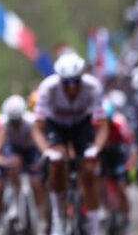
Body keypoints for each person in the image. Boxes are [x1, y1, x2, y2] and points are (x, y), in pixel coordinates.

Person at [31, 52, 107, 235]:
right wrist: (46, 151)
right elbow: (37, 128)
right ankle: (58, 216)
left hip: (81, 124)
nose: (72, 87)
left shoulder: (93, 87)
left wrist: (95, 149)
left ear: (82, 78)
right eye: (66, 82)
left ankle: (94, 225)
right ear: (60, 80)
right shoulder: (47, 88)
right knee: (57, 161)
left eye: (76, 81)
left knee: (89, 168)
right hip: (55, 125)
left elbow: (103, 126)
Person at [0, 95, 46, 232]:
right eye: (12, 121)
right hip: (13, 149)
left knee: (37, 183)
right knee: (12, 163)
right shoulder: (4, 122)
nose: (15, 124)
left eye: (17, 120)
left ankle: (41, 218)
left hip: (31, 149)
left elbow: (37, 138)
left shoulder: (31, 121)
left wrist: (45, 153)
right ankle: (13, 202)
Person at [96, 95, 135, 233]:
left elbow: (131, 146)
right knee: (98, 179)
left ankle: (126, 217)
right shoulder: (94, 125)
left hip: (117, 156)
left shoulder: (120, 125)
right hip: (102, 155)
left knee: (121, 188)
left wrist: (129, 164)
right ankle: (101, 206)